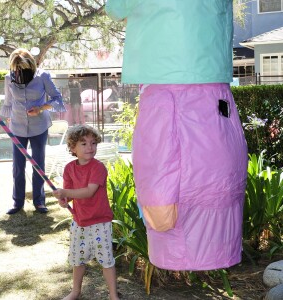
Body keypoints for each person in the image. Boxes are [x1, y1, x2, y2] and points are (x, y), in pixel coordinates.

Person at [106, 1, 248, 271]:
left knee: (163, 158)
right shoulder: (219, 98)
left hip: (168, 78)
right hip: (215, 85)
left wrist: (157, 207)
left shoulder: (163, 100)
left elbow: (115, 7)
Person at [53, 125, 119, 300]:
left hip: (100, 222)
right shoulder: (69, 169)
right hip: (80, 221)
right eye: (83, 143)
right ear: (73, 148)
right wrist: (64, 199)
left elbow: (89, 192)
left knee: (106, 260)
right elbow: (69, 196)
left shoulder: (98, 168)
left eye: (93, 143)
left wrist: (66, 193)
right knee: (77, 260)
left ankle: (113, 296)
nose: (90, 147)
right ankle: (75, 291)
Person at [0, 48, 66, 215]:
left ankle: (39, 201)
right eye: (16, 69)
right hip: (17, 128)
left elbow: (57, 100)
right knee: (18, 167)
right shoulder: (9, 78)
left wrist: (41, 108)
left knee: (38, 165)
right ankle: (17, 203)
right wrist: (6, 117)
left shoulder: (42, 76)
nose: (19, 72)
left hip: (39, 128)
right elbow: (8, 104)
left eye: (22, 68)